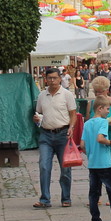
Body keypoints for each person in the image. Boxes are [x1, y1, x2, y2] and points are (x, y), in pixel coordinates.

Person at [32, 66, 77, 208]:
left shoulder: (66, 94)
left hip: (63, 134)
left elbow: (73, 114)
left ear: (60, 79)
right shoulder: (41, 95)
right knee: (44, 166)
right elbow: (39, 113)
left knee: (65, 168)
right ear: (46, 79)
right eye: (49, 78)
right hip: (46, 134)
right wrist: (36, 119)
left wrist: (71, 127)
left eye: (55, 78)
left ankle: (66, 198)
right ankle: (45, 199)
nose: (52, 81)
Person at [81, 97, 111, 221]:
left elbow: (82, 144)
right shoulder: (103, 122)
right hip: (104, 163)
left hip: (92, 163)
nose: (108, 112)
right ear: (99, 108)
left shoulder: (87, 123)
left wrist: (90, 153)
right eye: (107, 109)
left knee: (93, 194)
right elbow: (100, 138)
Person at [88, 75, 111, 143]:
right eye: (95, 92)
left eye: (100, 92)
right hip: (95, 139)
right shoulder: (91, 103)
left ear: (107, 90)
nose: (97, 94)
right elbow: (88, 122)